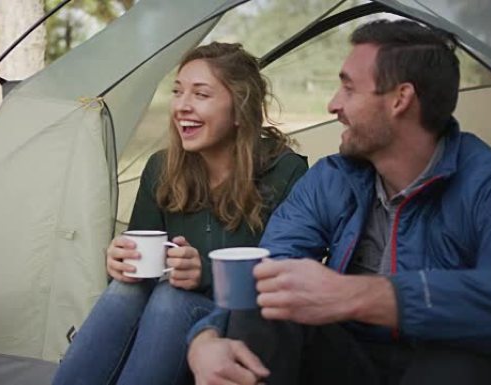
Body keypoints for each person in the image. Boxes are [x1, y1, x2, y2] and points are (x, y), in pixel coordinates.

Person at [187, 20, 491, 385]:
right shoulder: (333, 178)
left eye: (349, 89)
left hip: (438, 362)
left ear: (399, 100)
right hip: (346, 360)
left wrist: (365, 297)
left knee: (460, 361)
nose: (333, 105)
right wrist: (206, 336)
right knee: (269, 308)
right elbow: (272, 268)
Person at [51, 42, 308, 385]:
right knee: (126, 291)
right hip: (164, 327)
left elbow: (286, 276)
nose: (182, 106)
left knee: (171, 299)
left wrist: (205, 273)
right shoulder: (162, 168)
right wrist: (120, 262)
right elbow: (141, 264)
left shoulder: (286, 172)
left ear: (239, 110)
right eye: (177, 92)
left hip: (241, 320)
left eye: (201, 95)